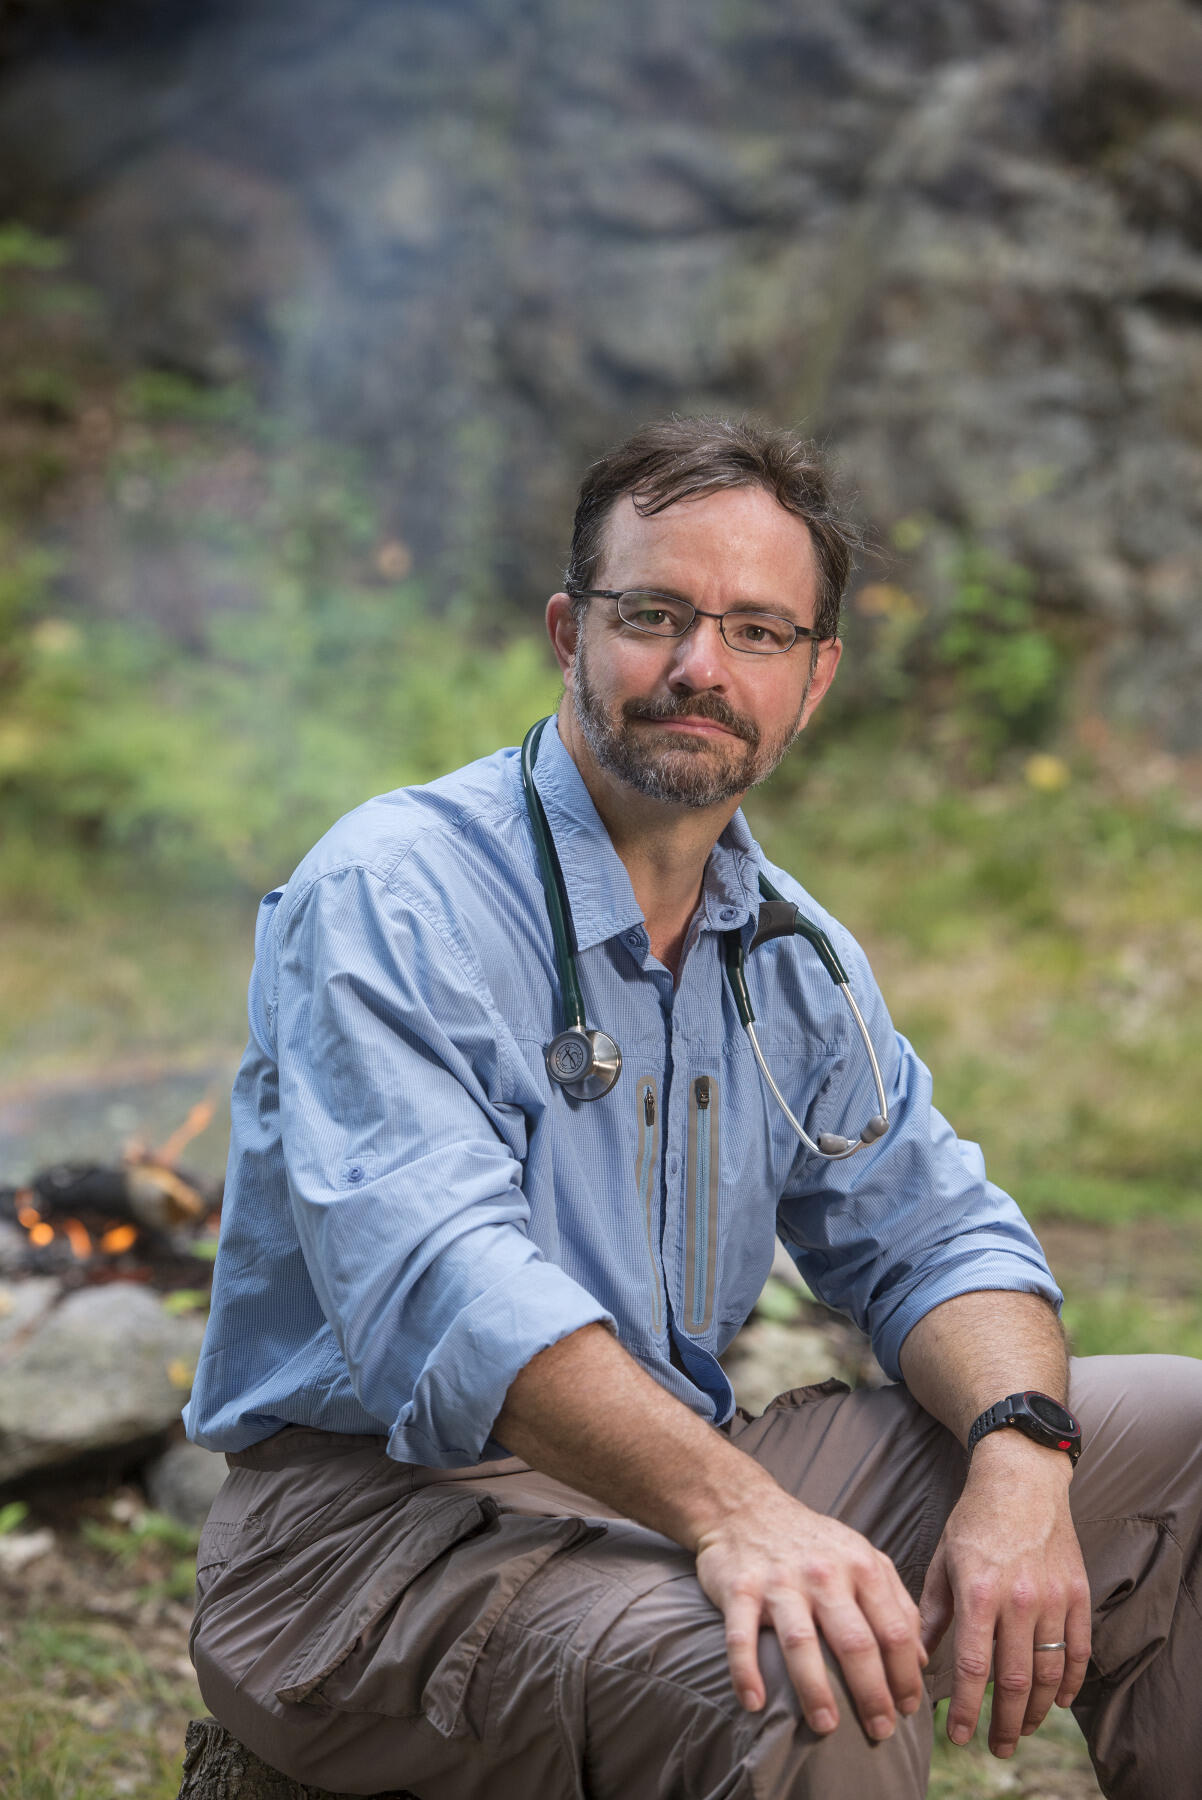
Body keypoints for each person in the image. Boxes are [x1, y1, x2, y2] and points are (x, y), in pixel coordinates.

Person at [185, 417, 1202, 1800]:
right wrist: (738, 1513)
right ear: (567, 630)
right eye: (651, 614)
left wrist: (1021, 1461)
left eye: (756, 631)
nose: (697, 668)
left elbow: (935, 1238)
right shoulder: (396, 891)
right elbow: (444, 1286)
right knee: (803, 1671)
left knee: (1181, 1450)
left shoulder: (789, 950)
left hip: (661, 1479)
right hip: (376, 1531)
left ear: (816, 677)